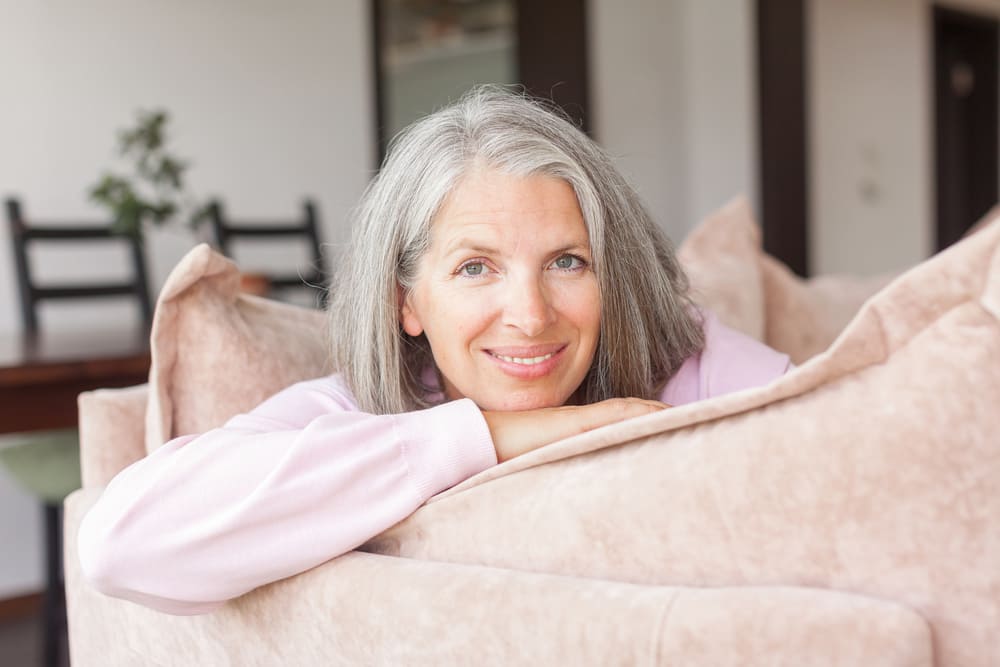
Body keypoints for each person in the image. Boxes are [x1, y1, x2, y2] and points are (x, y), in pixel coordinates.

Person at [78, 86, 791, 615]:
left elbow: (831, 456)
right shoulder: (355, 411)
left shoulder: (689, 365)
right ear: (406, 302)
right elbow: (119, 542)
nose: (531, 313)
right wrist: (490, 435)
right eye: (476, 267)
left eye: (568, 261)